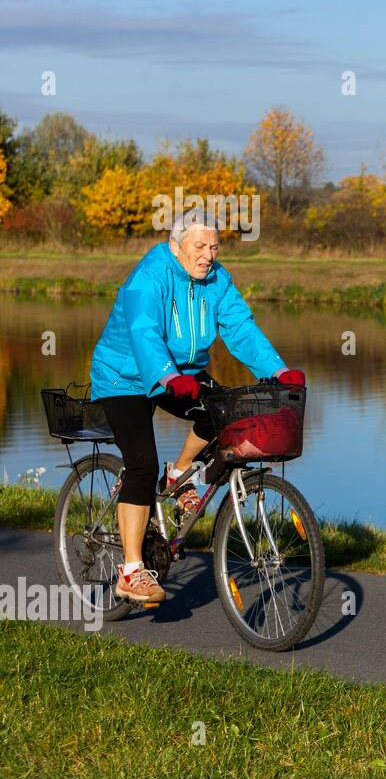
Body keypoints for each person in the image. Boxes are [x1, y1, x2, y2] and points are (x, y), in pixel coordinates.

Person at [89, 207, 304, 605]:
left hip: (183, 373)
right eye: (200, 246)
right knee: (141, 464)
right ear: (175, 247)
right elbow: (144, 331)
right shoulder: (150, 277)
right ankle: (132, 571)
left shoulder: (217, 279)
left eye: (215, 246)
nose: (208, 254)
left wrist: (278, 370)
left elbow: (240, 327)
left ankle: (183, 472)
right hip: (125, 376)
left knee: (226, 415)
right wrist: (168, 377)